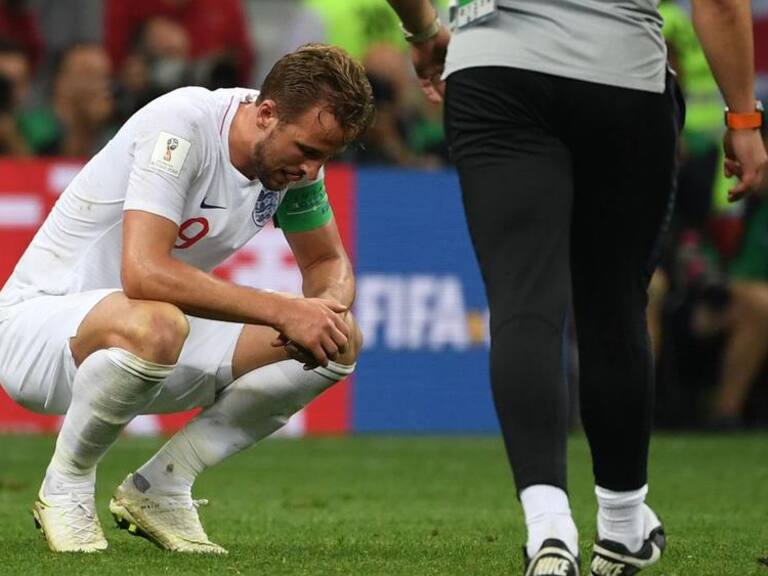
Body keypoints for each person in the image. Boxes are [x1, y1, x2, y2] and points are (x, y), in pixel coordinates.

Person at [385, 1, 767, 575]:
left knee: (521, 303)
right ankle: (622, 526)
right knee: (616, 305)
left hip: (494, 65)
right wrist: (743, 119)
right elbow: (718, 4)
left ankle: (548, 528)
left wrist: (422, 29)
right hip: (620, 71)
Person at [0, 43, 374, 554]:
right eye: (308, 151)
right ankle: (65, 488)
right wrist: (285, 310)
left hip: (149, 343)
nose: (312, 170)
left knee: (340, 338)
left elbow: (326, 262)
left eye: (326, 157)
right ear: (266, 114)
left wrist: (323, 310)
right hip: (38, 331)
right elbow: (144, 273)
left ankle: (162, 487)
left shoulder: (293, 156)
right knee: (158, 323)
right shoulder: (181, 126)